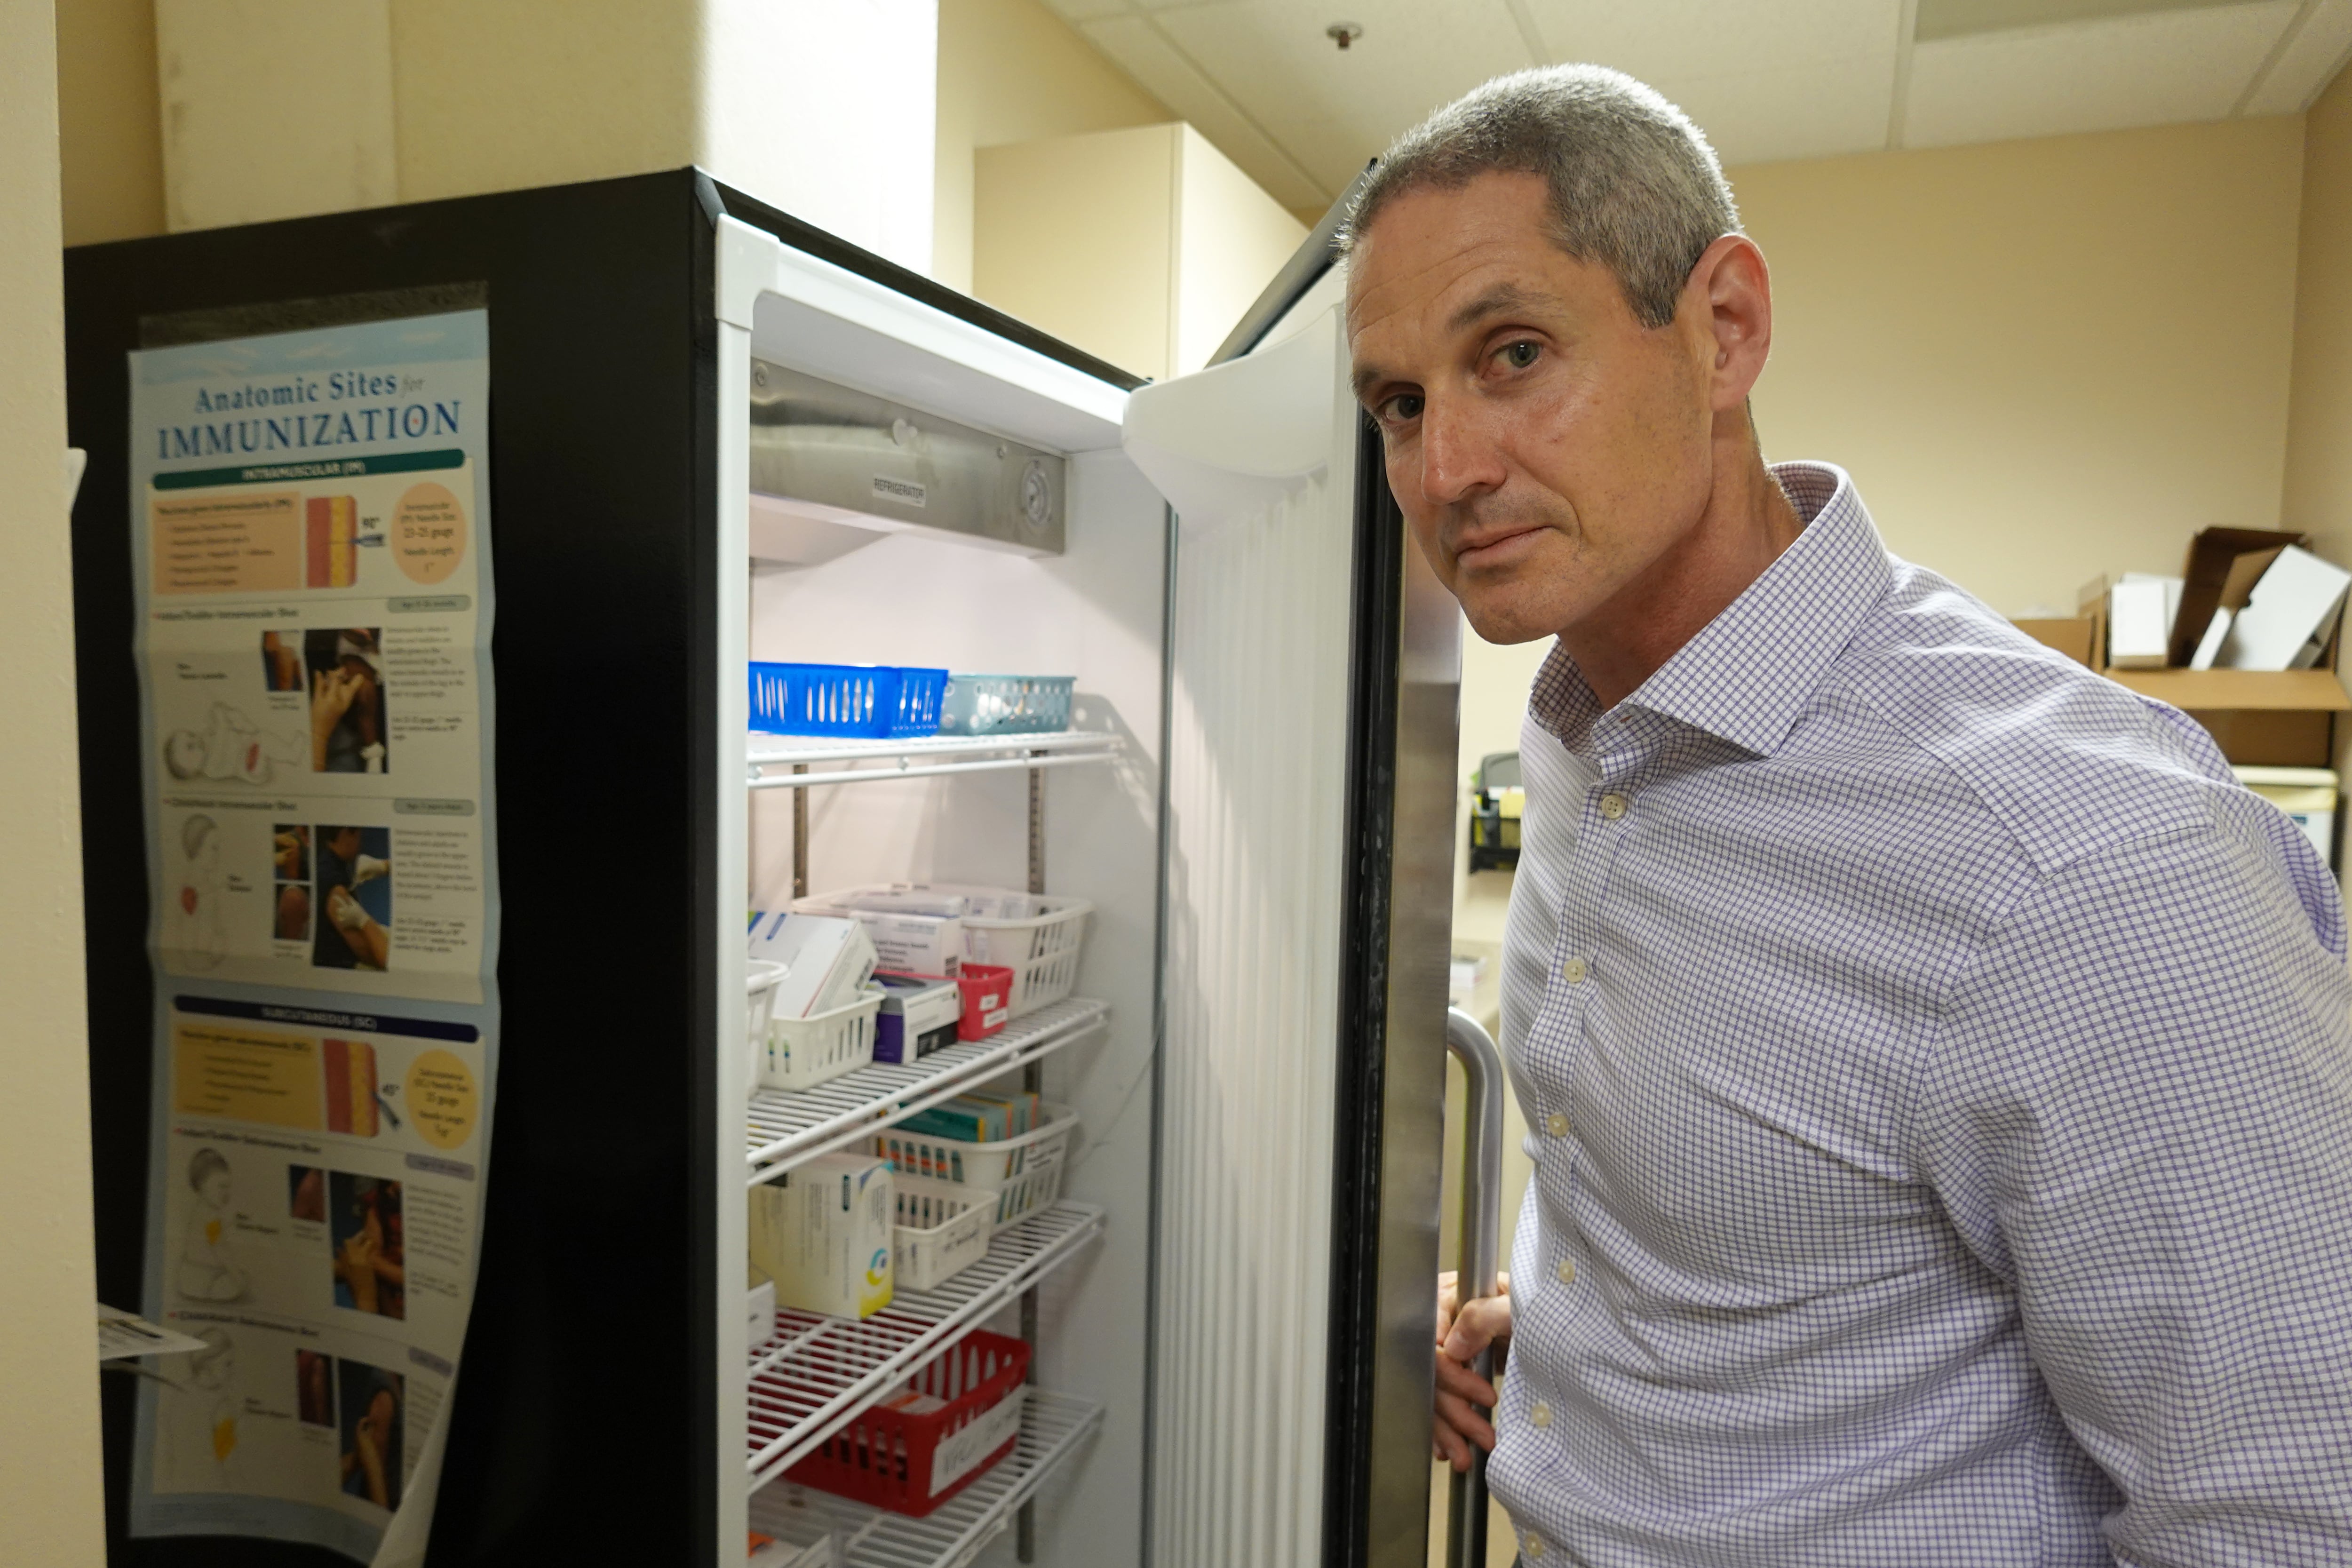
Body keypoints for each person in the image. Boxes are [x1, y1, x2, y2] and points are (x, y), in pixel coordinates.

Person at [1348, 64, 2352, 1566]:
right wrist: (1555, 1336)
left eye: (1513, 355)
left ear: (1725, 329)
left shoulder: (2082, 859)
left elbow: (2290, 1513)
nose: (1447, 471)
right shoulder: (1589, 736)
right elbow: (1737, 1207)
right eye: (1402, 403)